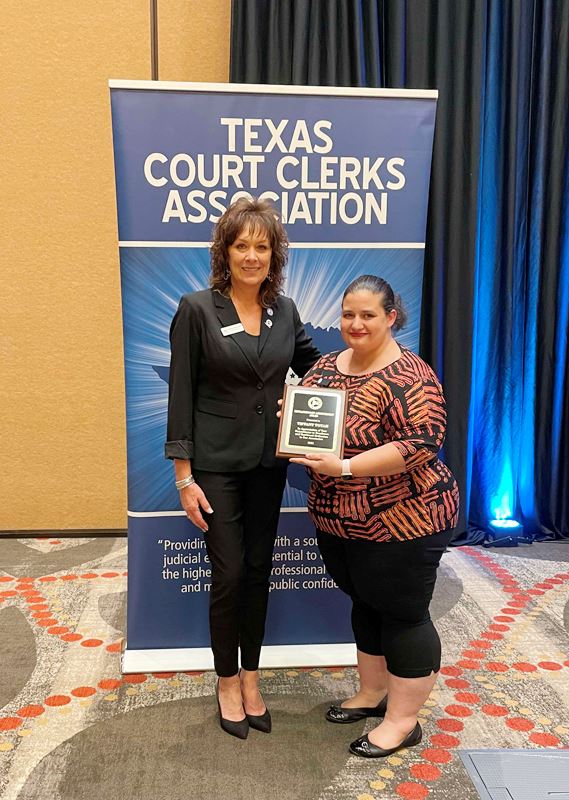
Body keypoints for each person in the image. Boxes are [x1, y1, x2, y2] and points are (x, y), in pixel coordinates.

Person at [165, 197, 319, 739]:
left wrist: (373, 361)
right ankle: (226, 681)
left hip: (266, 464)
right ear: (224, 252)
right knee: (229, 574)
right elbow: (179, 398)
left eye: (262, 246)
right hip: (214, 468)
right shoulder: (196, 309)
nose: (252, 256)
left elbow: (317, 370)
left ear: (274, 254)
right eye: (241, 245)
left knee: (258, 571)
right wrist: (184, 478)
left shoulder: (288, 311)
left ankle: (252, 677)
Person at [291, 275, 459, 758]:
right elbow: (310, 421)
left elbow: (420, 444)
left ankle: (403, 721)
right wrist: (291, 420)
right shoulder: (324, 367)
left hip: (405, 518)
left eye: (368, 315)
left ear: (391, 317)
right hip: (339, 519)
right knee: (365, 603)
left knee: (403, 615)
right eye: (349, 314)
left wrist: (345, 466)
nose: (355, 324)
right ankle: (372, 694)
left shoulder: (412, 376)